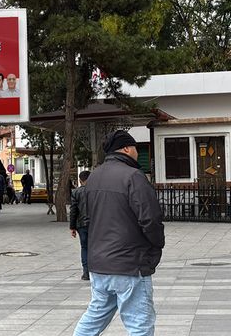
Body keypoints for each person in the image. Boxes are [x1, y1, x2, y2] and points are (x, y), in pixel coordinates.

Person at [73, 130, 165, 336]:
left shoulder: (94, 177)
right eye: (134, 148)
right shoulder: (134, 176)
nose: (136, 152)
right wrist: (157, 246)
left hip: (99, 264)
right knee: (139, 322)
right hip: (129, 263)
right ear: (126, 149)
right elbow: (150, 219)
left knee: (95, 316)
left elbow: (88, 217)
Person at [69, 170, 91, 280]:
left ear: (80, 180)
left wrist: (72, 227)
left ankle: (86, 272)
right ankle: (96, 271)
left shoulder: (76, 192)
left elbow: (73, 211)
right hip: (95, 225)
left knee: (84, 247)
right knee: (95, 247)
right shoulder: (96, 191)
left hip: (81, 225)